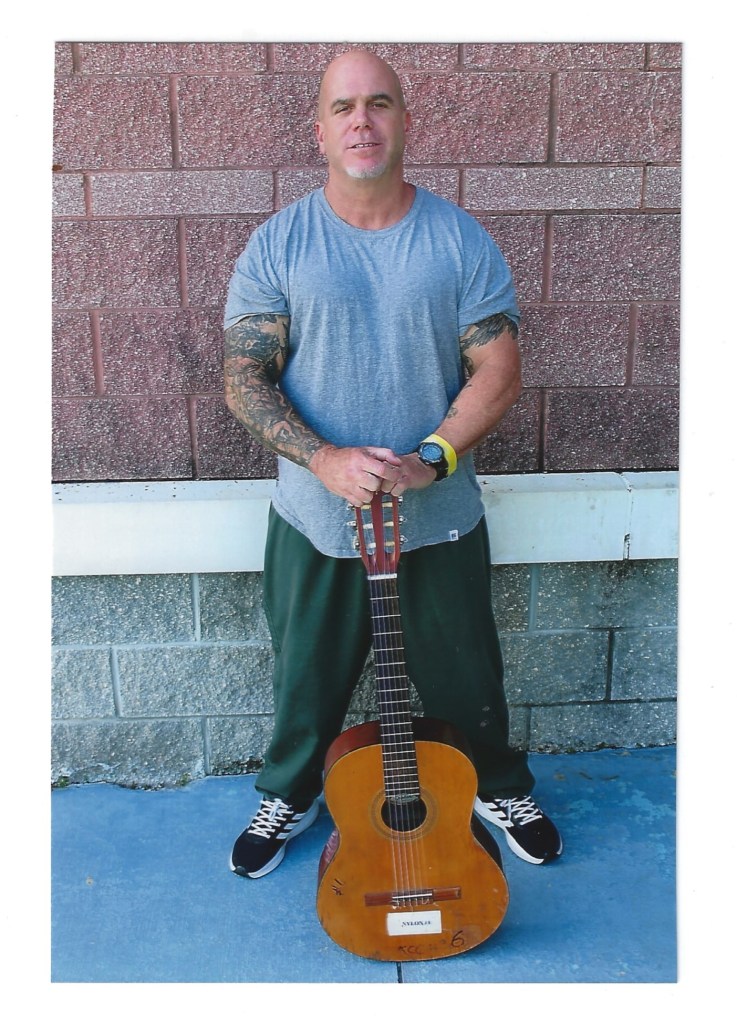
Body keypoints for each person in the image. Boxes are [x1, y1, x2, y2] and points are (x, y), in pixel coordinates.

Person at [222, 48, 562, 878]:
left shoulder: (457, 239)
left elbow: (500, 367)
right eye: (344, 108)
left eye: (379, 104)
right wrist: (323, 459)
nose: (362, 121)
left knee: (466, 674)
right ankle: (292, 793)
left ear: (405, 121)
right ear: (320, 130)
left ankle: (496, 785)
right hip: (316, 518)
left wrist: (430, 461)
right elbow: (242, 377)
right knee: (306, 677)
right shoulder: (280, 242)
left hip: (437, 516)